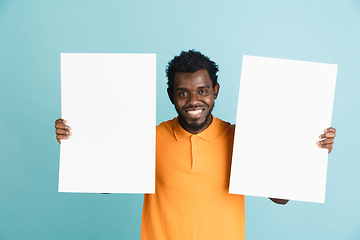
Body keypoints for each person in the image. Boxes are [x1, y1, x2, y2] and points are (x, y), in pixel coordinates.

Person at [55, 50, 336, 240]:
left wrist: (311, 151)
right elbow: (108, 184)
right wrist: (77, 141)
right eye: (183, 93)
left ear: (215, 91)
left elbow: (280, 197)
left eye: (202, 91)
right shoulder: (149, 138)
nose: (193, 101)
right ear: (170, 95)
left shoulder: (241, 138)